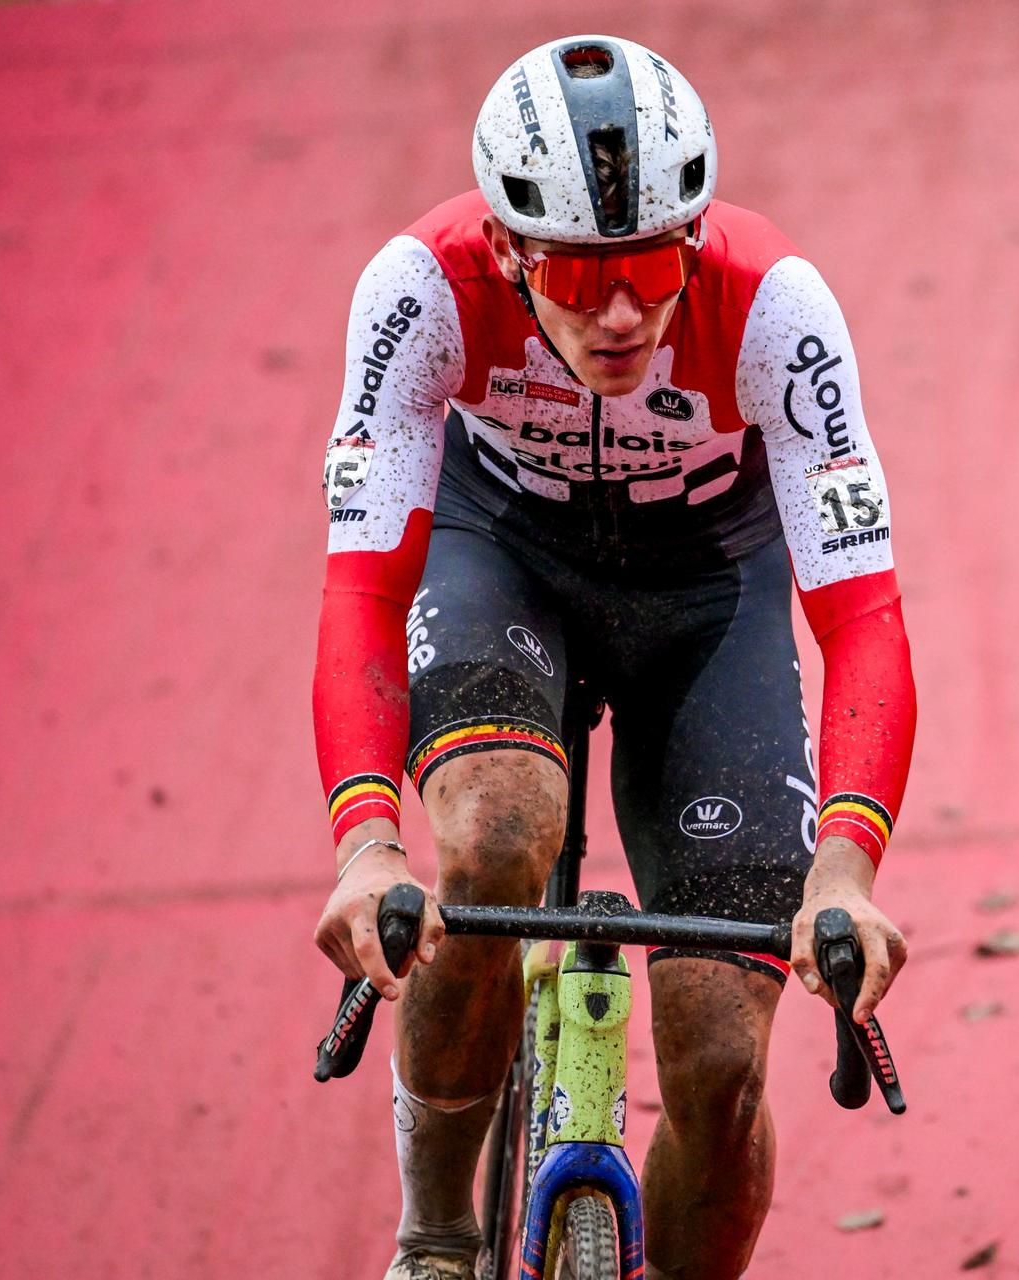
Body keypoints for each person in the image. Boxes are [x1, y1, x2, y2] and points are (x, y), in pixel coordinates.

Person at [309, 34, 918, 1280]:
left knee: (722, 1061)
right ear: (506, 251)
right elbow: (364, 592)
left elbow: (862, 617)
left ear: (692, 242)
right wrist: (369, 846)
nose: (624, 311)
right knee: (490, 838)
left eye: (648, 265)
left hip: (707, 593)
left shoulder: (778, 306)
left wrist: (846, 871)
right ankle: (433, 1236)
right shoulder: (419, 292)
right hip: (505, 556)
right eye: (580, 283)